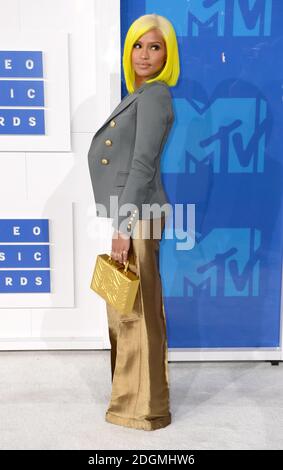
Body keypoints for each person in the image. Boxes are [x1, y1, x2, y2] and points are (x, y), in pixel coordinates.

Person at [88, 13, 180, 430]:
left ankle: (144, 408)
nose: (144, 54)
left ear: (167, 53)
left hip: (138, 215)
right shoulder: (141, 93)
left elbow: (143, 166)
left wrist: (124, 227)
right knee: (127, 307)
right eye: (138, 46)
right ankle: (132, 397)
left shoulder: (157, 96)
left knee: (138, 312)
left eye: (154, 46)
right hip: (133, 212)